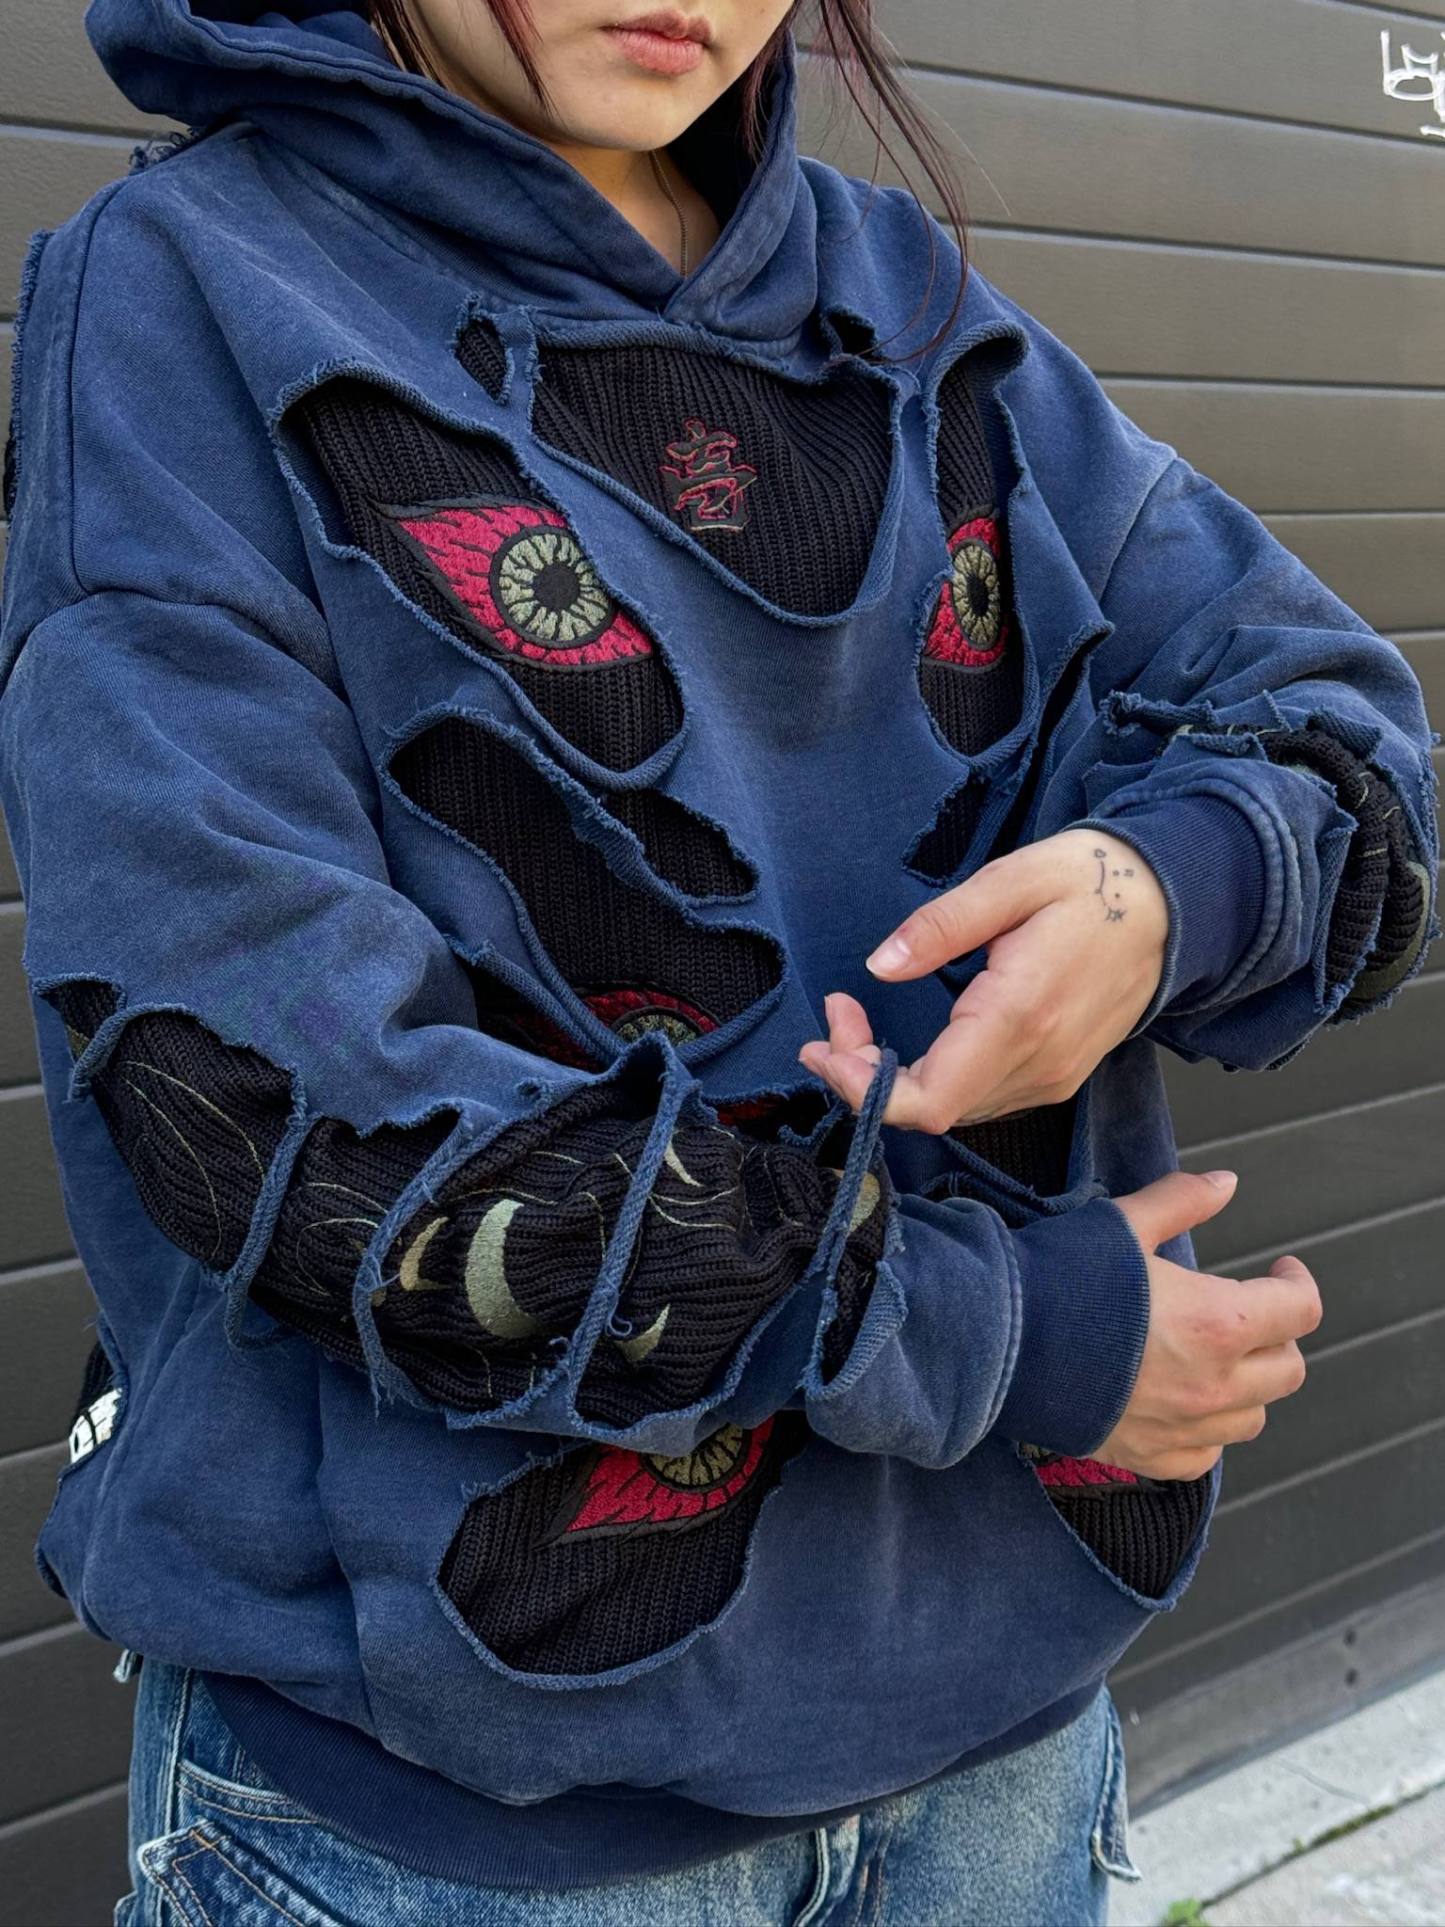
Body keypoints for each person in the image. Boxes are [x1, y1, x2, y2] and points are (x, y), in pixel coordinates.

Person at [1, 2, 1436, 1921]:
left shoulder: (898, 296)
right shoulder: (195, 288)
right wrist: (1009, 1335)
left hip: (996, 1754)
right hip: (462, 1824)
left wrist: (1160, 889)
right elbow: (267, 1095)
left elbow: (1329, 716)